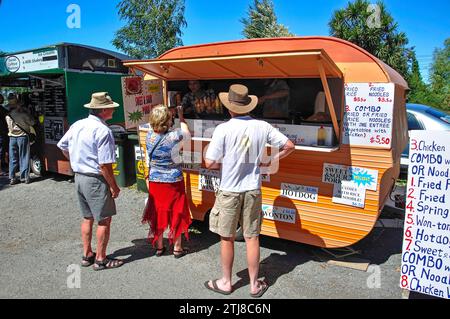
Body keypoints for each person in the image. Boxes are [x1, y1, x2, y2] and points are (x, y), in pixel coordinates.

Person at [204, 84, 295, 297]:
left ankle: (226, 282)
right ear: (248, 106)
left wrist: (224, 165)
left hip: (229, 190)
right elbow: (289, 146)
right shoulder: (262, 126)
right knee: (252, 237)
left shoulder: (223, 129)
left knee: (226, 237)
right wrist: (269, 162)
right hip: (252, 189)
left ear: (229, 108)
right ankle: (254, 285)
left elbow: (209, 163)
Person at [57, 92, 124, 271]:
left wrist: (76, 161)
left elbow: (62, 146)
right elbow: (104, 165)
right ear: (103, 110)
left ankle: (87, 254)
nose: (113, 109)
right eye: (111, 107)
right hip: (94, 179)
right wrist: (114, 186)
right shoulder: (103, 131)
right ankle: (101, 259)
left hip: (79, 176)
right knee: (104, 219)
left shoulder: (78, 124)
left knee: (87, 217)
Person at [141, 104, 192, 258]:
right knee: (176, 211)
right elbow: (187, 135)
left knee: (158, 211)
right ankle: (177, 247)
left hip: (156, 180)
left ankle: (159, 246)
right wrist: (181, 116)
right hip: (173, 180)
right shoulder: (175, 136)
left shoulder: (149, 136)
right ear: (168, 120)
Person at [5, 93, 36, 185]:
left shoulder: (7, 115)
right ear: (18, 105)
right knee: (24, 156)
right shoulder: (22, 114)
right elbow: (32, 122)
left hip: (12, 137)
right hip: (22, 136)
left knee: (13, 158)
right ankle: (25, 177)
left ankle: (12, 177)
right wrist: (27, 112)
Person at [0, 94, 8, 176]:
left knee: (3, 150)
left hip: (2, 133)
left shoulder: (1, 108)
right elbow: (7, 113)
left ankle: (4, 166)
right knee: (1, 150)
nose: (2, 99)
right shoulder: (1, 109)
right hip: (1, 133)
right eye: (1, 98)